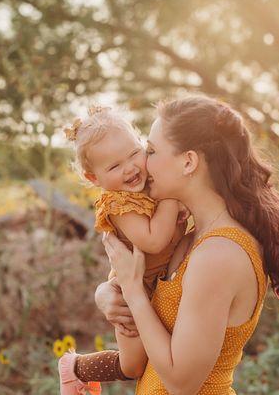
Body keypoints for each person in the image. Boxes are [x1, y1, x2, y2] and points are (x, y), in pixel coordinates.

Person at [96, 94, 279, 394]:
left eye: (150, 150)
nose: (141, 164)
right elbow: (140, 361)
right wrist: (109, 293)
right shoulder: (189, 240)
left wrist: (133, 291)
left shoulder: (219, 254)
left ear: (188, 161)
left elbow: (180, 382)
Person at [57, 105, 188, 394]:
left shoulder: (153, 181)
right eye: (114, 166)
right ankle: (75, 368)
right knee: (133, 366)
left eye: (133, 153)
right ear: (94, 179)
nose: (129, 168)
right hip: (131, 293)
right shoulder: (118, 204)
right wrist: (171, 198)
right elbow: (153, 241)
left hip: (164, 284)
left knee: (164, 354)